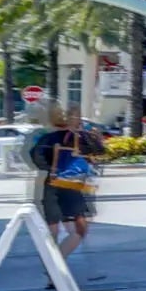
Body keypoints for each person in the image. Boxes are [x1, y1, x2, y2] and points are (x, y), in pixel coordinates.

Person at [24, 104, 108, 262]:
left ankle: (53, 265)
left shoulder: (49, 137)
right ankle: (56, 263)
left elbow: (35, 156)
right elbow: (100, 153)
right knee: (74, 229)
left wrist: (50, 168)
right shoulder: (80, 137)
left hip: (55, 185)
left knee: (55, 230)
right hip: (68, 187)